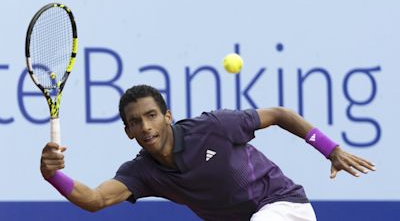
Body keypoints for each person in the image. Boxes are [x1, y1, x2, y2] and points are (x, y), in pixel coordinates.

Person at [40, 84, 376, 221]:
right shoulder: (141, 172)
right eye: (135, 122)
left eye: (151, 115)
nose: (145, 127)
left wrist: (329, 149)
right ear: (128, 131)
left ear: (167, 116)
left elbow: (278, 115)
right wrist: (54, 176)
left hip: (283, 206)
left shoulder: (213, 126)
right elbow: (96, 199)